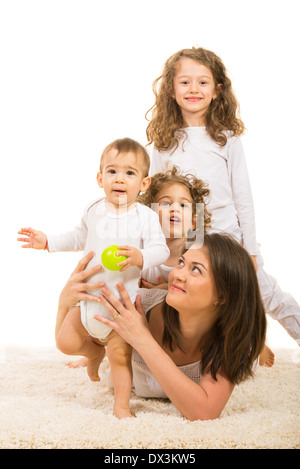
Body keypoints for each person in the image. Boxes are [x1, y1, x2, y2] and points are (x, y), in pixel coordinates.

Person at [146, 47, 300, 345]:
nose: (194, 89)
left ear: (217, 90)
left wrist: (251, 249)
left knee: (266, 294)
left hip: (229, 238)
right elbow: (157, 199)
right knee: (196, 302)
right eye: (185, 82)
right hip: (188, 241)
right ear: (170, 90)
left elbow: (244, 197)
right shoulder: (165, 142)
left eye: (203, 82)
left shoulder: (226, 138)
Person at [17, 137, 170, 419]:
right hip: (88, 300)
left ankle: (121, 406)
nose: (119, 179)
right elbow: (79, 236)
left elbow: (160, 250)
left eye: (129, 172)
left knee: (120, 357)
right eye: (112, 171)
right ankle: (92, 354)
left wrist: (140, 257)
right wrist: (48, 241)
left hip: (120, 307)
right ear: (100, 178)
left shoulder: (145, 217)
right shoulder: (94, 209)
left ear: (144, 184)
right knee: (65, 342)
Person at [58, 233, 267, 421]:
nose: (177, 274)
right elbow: (69, 334)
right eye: (181, 262)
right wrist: (63, 303)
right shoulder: (134, 308)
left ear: (222, 296)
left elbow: (205, 412)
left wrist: (142, 339)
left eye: (195, 270)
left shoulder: (230, 342)